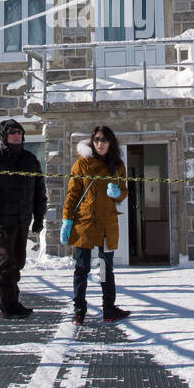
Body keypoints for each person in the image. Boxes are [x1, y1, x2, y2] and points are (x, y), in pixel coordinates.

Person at [0, 118, 46, 319]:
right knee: (6, 264)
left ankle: (14, 301)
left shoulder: (30, 160)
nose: (16, 136)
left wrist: (39, 217)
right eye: (11, 133)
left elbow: (39, 191)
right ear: (5, 137)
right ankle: (7, 307)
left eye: (19, 133)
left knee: (18, 262)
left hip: (22, 220)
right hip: (2, 223)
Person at [61, 125, 129, 325]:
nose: (100, 143)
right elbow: (72, 194)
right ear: (92, 141)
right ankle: (79, 311)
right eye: (97, 139)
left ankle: (109, 309)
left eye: (105, 140)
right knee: (81, 268)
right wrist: (67, 220)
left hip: (107, 225)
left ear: (111, 143)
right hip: (85, 223)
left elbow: (124, 190)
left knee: (105, 269)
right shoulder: (81, 164)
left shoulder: (117, 166)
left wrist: (118, 194)